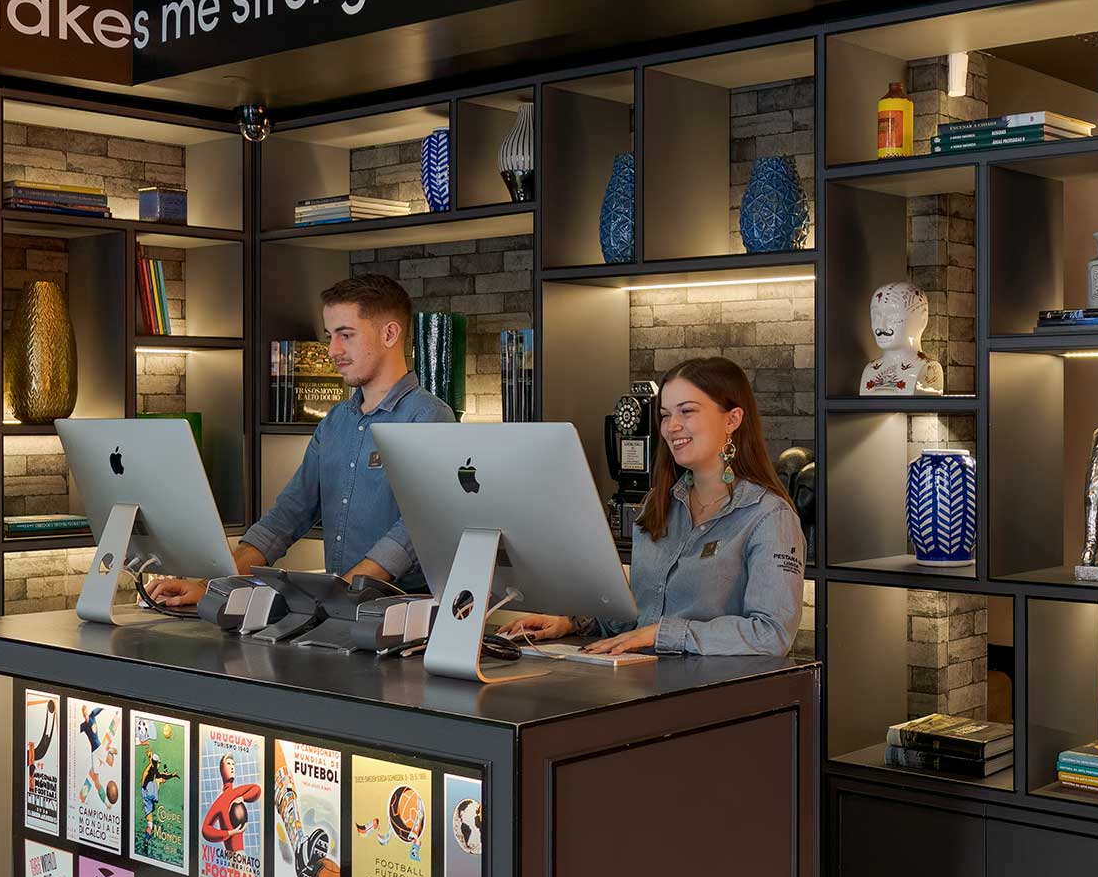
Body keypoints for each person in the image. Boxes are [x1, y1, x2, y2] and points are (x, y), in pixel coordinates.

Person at [146, 274, 452, 609]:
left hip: (404, 614)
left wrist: (343, 592)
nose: (332, 350)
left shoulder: (429, 417)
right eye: (330, 336)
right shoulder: (335, 422)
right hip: (338, 611)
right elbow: (288, 516)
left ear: (390, 333)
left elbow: (414, 528)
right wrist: (213, 587)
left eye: (345, 335)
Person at [504, 357, 802, 656]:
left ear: (732, 419)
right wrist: (571, 622)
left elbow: (772, 635)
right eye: (664, 415)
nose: (671, 426)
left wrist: (664, 633)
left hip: (713, 695)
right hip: (640, 685)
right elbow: (639, 621)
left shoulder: (769, 517)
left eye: (686, 411)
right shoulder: (656, 506)